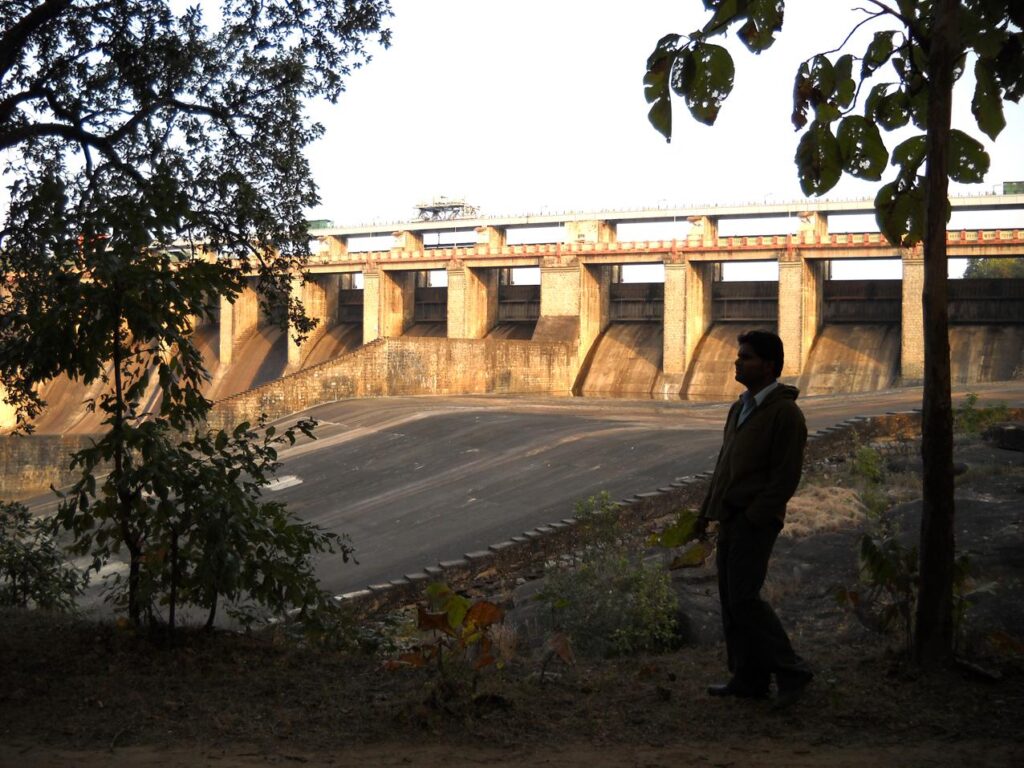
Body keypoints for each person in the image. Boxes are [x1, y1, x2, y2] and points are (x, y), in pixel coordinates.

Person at [694, 329, 813, 708]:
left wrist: (755, 516)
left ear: (769, 365)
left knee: (745, 599)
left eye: (746, 357)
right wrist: (705, 515)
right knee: (731, 600)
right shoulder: (739, 408)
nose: (737, 361)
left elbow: (785, 476)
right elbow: (724, 467)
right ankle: (749, 678)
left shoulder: (785, 414)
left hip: (753, 521)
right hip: (730, 517)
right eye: (739, 355)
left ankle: (791, 670)